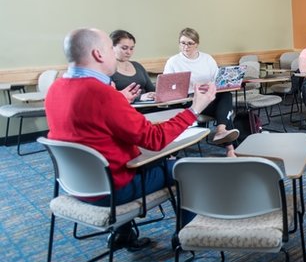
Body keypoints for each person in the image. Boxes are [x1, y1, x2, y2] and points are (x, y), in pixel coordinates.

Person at [45, 28, 217, 250]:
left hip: (76, 185)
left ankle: (123, 233)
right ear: (98, 54)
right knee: (187, 168)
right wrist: (195, 109)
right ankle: (185, 239)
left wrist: (119, 99)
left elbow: (90, 130)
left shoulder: (55, 89)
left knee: (147, 158)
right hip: (114, 189)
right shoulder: (102, 95)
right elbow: (155, 140)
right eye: (110, 48)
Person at [164, 27, 239, 156]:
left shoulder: (207, 59)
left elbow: (217, 80)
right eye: (182, 43)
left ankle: (221, 131)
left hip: (207, 98)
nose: (185, 47)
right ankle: (230, 147)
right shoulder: (173, 62)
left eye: (190, 43)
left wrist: (210, 86)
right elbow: (167, 88)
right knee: (224, 110)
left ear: (196, 44)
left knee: (226, 95)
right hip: (187, 101)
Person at [109, 29, 155, 101]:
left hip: (150, 105)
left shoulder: (137, 66)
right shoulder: (107, 70)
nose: (128, 52)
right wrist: (139, 98)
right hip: (128, 107)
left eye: (131, 48)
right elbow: (111, 97)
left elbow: (151, 89)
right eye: (124, 48)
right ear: (112, 47)